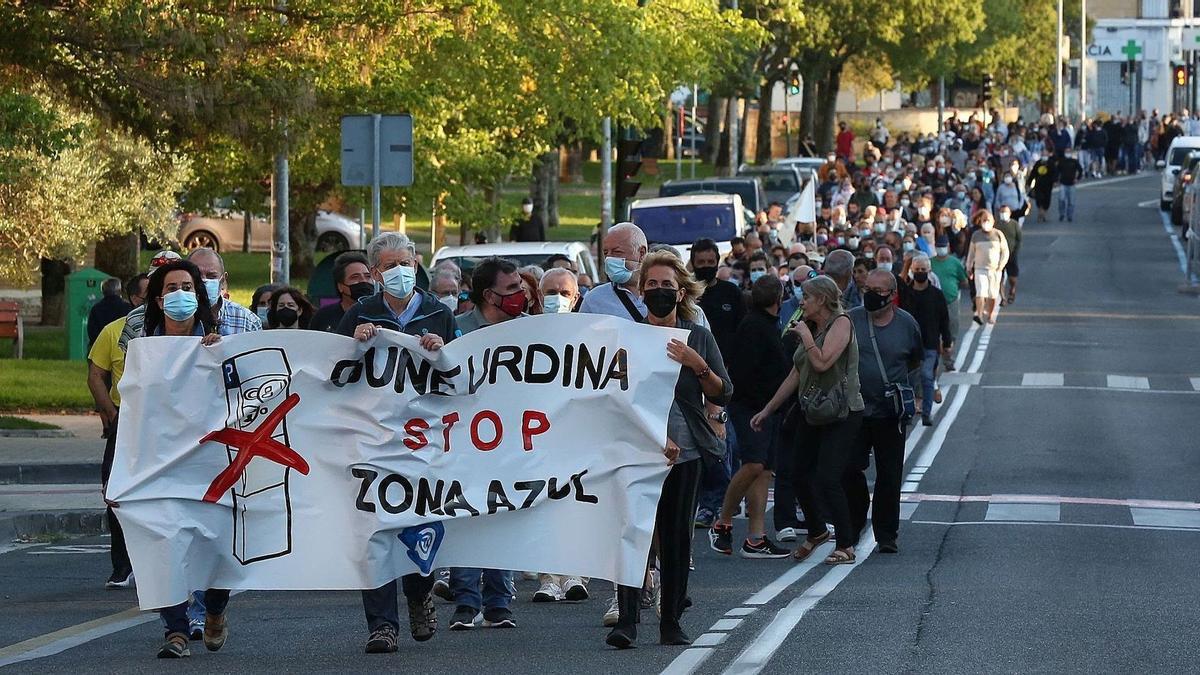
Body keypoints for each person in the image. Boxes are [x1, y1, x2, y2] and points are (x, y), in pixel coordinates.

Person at [335, 232, 456, 652]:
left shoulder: (439, 313)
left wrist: (441, 351)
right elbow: (335, 373)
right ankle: (382, 625)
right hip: (372, 440)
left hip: (423, 442)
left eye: (404, 262)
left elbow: (462, 375)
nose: (398, 271)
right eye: (388, 266)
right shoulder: (360, 314)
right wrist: (355, 345)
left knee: (419, 522)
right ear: (374, 273)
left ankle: (420, 592)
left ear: (417, 262)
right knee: (375, 532)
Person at [607, 251, 732, 649]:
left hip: (687, 453)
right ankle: (627, 620)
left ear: (681, 292)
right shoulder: (628, 337)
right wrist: (654, 436)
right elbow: (614, 395)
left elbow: (722, 390)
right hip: (638, 451)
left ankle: (671, 620)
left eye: (667, 286)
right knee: (632, 535)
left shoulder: (699, 336)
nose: (659, 292)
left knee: (676, 537)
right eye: (652, 286)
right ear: (641, 292)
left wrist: (698, 365)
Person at [132, 259, 224, 658]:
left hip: (211, 465)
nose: (180, 294)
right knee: (163, 546)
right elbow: (134, 408)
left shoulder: (220, 343)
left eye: (188, 286)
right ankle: (176, 631)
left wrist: (220, 358)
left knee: (216, 549)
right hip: (159, 466)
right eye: (172, 287)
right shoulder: (142, 348)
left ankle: (217, 608)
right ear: (158, 298)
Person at [751, 276, 863, 566]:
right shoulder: (813, 327)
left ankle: (846, 545)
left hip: (841, 411)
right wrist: (768, 409)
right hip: (813, 410)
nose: (801, 302)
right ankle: (816, 532)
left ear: (822, 300)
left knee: (828, 476)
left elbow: (823, 361)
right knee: (797, 472)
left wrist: (806, 337)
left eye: (806, 297)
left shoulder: (841, 323)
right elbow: (797, 373)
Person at [447, 256, 526, 630]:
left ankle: (498, 601)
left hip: (514, 440)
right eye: (511, 289)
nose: (520, 295)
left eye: (520, 287)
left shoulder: (533, 332)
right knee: (465, 514)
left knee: (503, 517)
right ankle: (466, 601)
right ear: (488, 295)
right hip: (464, 439)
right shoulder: (456, 330)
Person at [708, 274, 790, 559]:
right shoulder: (755, 326)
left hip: (766, 409)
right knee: (753, 465)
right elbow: (745, 373)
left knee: (764, 470)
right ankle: (723, 521)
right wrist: (763, 407)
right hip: (753, 408)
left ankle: (756, 538)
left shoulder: (765, 324)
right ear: (778, 299)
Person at [844, 269, 923, 554]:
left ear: (892, 295)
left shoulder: (906, 324)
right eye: (868, 288)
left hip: (890, 411)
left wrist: (912, 393)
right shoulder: (850, 319)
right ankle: (853, 522)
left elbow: (915, 360)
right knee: (849, 467)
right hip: (855, 409)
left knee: (890, 474)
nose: (871, 294)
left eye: (878, 291)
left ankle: (886, 533)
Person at [529, 267, 589, 601]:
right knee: (542, 503)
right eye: (550, 292)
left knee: (575, 501)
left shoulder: (591, 333)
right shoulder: (523, 334)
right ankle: (548, 576)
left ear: (576, 297)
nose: (557, 299)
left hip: (577, 431)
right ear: (538, 296)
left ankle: (575, 572)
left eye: (565, 293)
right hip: (537, 433)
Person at [86, 271, 149, 591]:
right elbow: (96, 374)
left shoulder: (175, 331)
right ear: (134, 299)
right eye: (149, 294)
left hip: (161, 421)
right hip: (125, 420)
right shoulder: (114, 331)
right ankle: (122, 566)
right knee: (116, 493)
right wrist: (108, 411)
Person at [899, 254, 951, 426]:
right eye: (917, 269)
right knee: (909, 380)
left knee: (927, 376)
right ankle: (908, 411)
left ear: (929, 271)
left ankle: (926, 413)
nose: (920, 272)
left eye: (923, 270)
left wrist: (947, 342)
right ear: (912, 271)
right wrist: (906, 265)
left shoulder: (936, 295)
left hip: (930, 344)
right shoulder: (906, 293)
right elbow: (899, 283)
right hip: (909, 345)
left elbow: (944, 319)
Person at [580, 222, 648, 321]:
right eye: (606, 253)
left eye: (617, 252)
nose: (609, 258)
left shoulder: (661, 292)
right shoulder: (594, 299)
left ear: (641, 253)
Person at [310, 252, 374, 332]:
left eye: (368, 276)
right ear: (340, 286)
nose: (363, 281)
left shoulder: (382, 314)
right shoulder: (323, 317)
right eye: (355, 277)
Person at [966, 210, 1010, 324]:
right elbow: (971, 252)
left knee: (992, 294)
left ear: (993, 221)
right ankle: (979, 314)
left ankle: (990, 315)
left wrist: (1000, 266)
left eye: (988, 220)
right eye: (984, 220)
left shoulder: (998, 235)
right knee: (981, 292)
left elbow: (1005, 252)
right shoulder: (976, 235)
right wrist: (969, 266)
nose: (986, 222)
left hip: (994, 270)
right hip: (980, 269)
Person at [930, 236, 968, 355]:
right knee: (934, 329)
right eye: (939, 246)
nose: (941, 249)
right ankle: (936, 355)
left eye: (943, 246)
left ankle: (948, 357)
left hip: (951, 301)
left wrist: (954, 286)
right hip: (934, 302)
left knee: (952, 329)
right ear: (935, 247)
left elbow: (964, 281)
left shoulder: (955, 262)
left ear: (948, 247)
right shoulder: (930, 262)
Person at [87, 277, 132, 348]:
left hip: (101, 347)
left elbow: (92, 332)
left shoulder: (96, 309)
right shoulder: (128, 307)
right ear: (119, 290)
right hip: (122, 347)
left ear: (103, 291)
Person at [992, 205, 1022, 305]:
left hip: (1011, 254)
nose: (1003, 214)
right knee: (999, 277)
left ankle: (1012, 290)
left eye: (1005, 212)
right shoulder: (996, 225)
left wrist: (1015, 250)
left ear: (1009, 213)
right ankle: (1003, 298)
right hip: (998, 255)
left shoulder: (1014, 224)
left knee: (1012, 278)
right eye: (1001, 212)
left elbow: (1019, 239)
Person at [1026, 153, 1056, 222]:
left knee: (1047, 200)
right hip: (1038, 185)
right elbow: (1033, 173)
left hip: (1048, 185)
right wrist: (1029, 183)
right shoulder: (1038, 163)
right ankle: (1040, 211)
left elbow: (1054, 173)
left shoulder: (1051, 163)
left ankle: (1044, 212)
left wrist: (1054, 181)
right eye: (1043, 154)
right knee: (1039, 199)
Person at [1056, 148, 1083, 222]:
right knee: (1061, 200)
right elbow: (1057, 171)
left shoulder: (1074, 161)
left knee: (1071, 202)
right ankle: (1062, 214)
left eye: (1069, 152)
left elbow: (1080, 170)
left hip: (1072, 184)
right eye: (1066, 152)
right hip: (1063, 183)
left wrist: (1077, 178)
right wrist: (1057, 180)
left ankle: (1069, 216)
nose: (1067, 153)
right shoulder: (1061, 161)